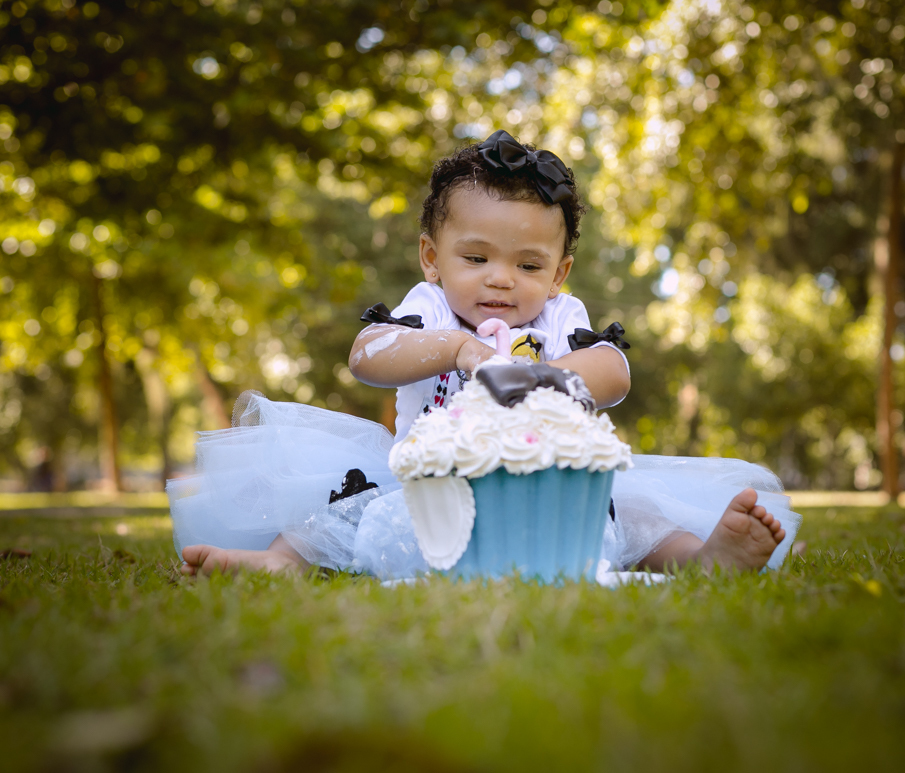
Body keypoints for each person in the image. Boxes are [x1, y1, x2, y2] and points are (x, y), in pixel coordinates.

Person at [173, 130, 801, 579]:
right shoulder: (431, 309)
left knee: (630, 510)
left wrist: (538, 376)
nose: (501, 279)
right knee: (346, 500)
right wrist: (457, 348)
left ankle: (701, 559)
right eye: (476, 259)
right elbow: (366, 355)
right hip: (425, 484)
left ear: (559, 273)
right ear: (432, 257)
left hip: (548, 488)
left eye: (529, 264)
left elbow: (613, 373)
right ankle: (281, 561)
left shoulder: (560, 318)